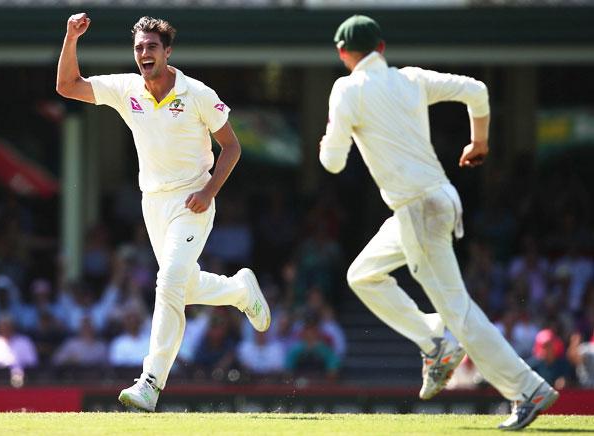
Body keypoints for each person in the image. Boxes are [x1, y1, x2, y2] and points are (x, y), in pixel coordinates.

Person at [319, 15, 558, 430]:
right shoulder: (409, 79)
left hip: (418, 209)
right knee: (363, 274)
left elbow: (333, 162)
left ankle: (526, 389)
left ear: (343, 53)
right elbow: (477, 91)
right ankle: (433, 341)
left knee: (458, 310)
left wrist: (334, 135)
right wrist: (479, 141)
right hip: (439, 199)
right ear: (382, 48)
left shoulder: (347, 89)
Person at [56, 13, 270, 412]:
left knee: (168, 281)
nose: (143, 54)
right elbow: (67, 86)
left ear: (167, 51)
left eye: (151, 47)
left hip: (193, 199)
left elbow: (233, 147)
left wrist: (209, 191)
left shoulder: (198, 93)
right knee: (183, 286)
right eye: (138, 48)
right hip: (153, 203)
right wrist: (71, 38)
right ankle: (239, 290)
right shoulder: (126, 88)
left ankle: (150, 382)